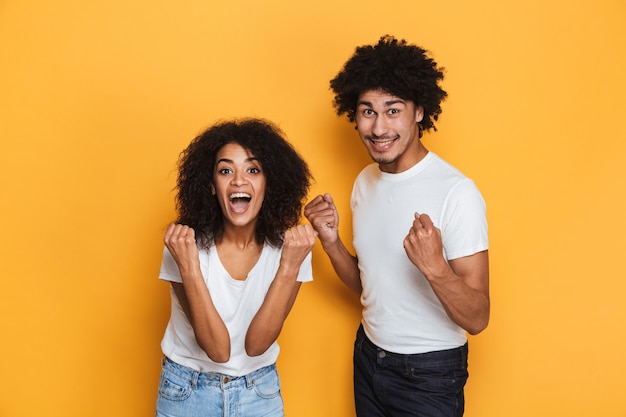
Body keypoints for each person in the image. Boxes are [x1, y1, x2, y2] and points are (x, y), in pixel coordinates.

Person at [304, 35, 490, 417]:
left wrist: (435, 268)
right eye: (367, 111)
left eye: (393, 110)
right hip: (369, 358)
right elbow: (368, 288)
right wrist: (331, 242)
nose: (378, 127)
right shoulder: (364, 183)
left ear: (419, 111)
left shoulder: (457, 192)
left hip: (428, 375)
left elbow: (478, 318)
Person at [156, 118, 316, 417]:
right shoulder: (183, 246)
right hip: (187, 392)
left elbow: (257, 345)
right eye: (226, 170)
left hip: (259, 392)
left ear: (270, 183)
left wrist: (289, 265)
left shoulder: (293, 248)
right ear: (212, 187)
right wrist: (189, 267)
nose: (239, 181)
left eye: (253, 170)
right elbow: (217, 351)